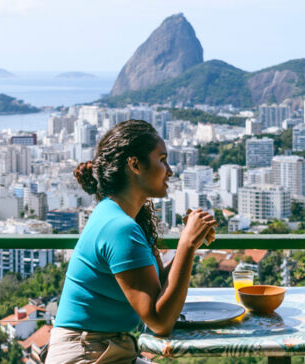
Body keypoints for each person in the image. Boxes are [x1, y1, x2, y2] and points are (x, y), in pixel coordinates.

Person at [46, 119, 216, 364]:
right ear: (135, 164)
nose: (170, 170)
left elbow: (158, 291)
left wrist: (190, 242)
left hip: (100, 348)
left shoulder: (118, 216)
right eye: (162, 159)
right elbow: (160, 322)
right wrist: (186, 245)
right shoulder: (120, 228)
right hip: (86, 354)